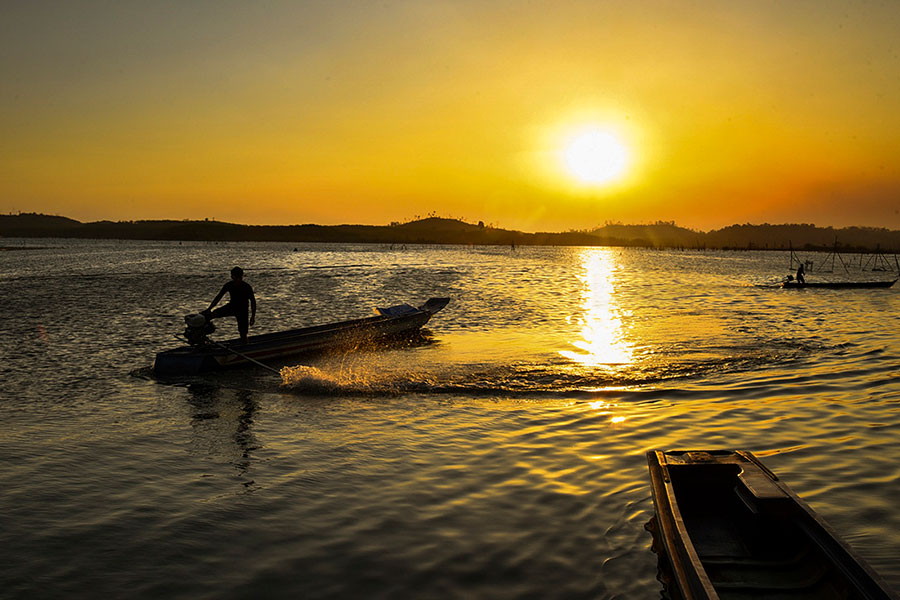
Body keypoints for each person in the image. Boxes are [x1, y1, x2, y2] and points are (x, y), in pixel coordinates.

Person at [207, 266, 256, 344]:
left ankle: (245, 345)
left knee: (243, 333)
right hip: (231, 307)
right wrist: (209, 309)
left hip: (242, 311)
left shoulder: (246, 287)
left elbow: (253, 302)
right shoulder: (229, 285)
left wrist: (252, 316)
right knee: (210, 316)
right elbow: (218, 297)